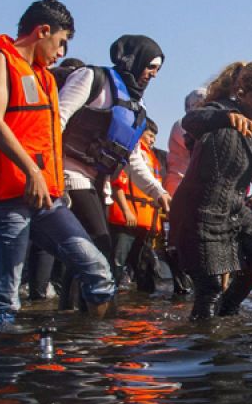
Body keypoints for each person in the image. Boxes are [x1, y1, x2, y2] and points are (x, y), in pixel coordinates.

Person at [0, 0, 115, 327]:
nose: (60, 53)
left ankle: (94, 358)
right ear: (43, 31)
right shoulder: (1, 60)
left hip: (45, 197)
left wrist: (53, 183)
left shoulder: (43, 78)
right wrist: (31, 171)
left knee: (99, 273)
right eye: (61, 42)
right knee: (3, 298)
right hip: (2, 196)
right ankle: (1, 373)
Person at [169, 62, 252, 321]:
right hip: (201, 211)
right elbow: (191, 120)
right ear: (240, 92)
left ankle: (228, 309)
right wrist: (224, 119)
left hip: (235, 208)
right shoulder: (219, 111)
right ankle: (202, 344)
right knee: (210, 288)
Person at [57, 35, 171, 289]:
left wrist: (157, 192)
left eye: (157, 70)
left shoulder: (135, 104)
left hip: (99, 183)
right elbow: (57, 119)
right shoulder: (92, 78)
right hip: (70, 173)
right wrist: (47, 170)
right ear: (133, 59)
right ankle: (91, 316)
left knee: (86, 251)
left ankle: (74, 315)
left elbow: (131, 157)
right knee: (99, 246)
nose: (153, 74)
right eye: (150, 67)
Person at [107, 122, 164, 292]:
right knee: (117, 262)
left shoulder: (152, 158)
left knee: (145, 267)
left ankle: (144, 306)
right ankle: (108, 298)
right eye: (149, 135)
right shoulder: (130, 153)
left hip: (145, 222)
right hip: (127, 219)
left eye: (155, 136)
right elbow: (117, 183)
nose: (153, 140)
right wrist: (126, 211)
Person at [164, 88, 207, 196]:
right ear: (189, 107)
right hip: (178, 183)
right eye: (197, 104)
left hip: (195, 186)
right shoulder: (182, 124)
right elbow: (200, 145)